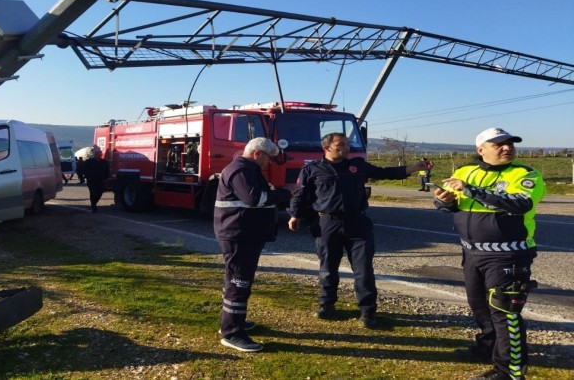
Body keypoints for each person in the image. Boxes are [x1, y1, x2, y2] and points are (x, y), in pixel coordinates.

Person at [287, 132, 433, 329]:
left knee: (363, 270)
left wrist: (414, 168)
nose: (346, 147)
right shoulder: (312, 169)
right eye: (341, 144)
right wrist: (295, 215)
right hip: (327, 224)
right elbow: (299, 194)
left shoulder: (357, 165)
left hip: (357, 223)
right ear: (327, 148)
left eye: (347, 144)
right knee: (328, 268)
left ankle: (367, 311)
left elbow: (386, 173)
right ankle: (327, 305)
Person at [433, 128, 545, 380]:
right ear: (480, 149)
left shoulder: (525, 174)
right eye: (499, 144)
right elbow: (452, 205)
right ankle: (487, 349)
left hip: (508, 255)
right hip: (472, 252)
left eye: (510, 144)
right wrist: (444, 200)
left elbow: (520, 203)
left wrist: (471, 190)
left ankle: (510, 371)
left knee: (504, 312)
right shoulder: (464, 172)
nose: (507, 148)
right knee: (480, 307)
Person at [213, 137, 293, 352]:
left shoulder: (247, 169)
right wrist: (285, 193)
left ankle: (232, 321)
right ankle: (232, 333)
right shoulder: (242, 170)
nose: (269, 163)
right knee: (239, 282)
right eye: (269, 158)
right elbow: (255, 198)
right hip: (239, 234)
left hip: (244, 233)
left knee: (236, 279)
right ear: (257, 153)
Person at [81, 147, 110, 213]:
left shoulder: (104, 162)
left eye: (100, 154)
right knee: (93, 192)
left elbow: (107, 171)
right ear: (95, 155)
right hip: (91, 180)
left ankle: (94, 203)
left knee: (99, 193)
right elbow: (84, 169)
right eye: (98, 154)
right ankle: (93, 206)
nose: (99, 155)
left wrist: (105, 178)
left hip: (100, 181)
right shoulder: (89, 162)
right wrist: (87, 177)